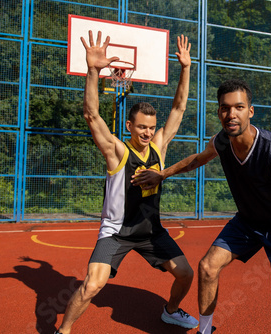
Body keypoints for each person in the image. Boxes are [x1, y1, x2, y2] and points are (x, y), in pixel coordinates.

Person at [132, 79, 271, 334]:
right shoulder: (222, 141)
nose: (231, 114)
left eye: (238, 107)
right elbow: (196, 160)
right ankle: (205, 331)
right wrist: (162, 173)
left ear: (250, 111)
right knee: (207, 267)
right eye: (225, 108)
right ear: (219, 112)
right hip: (248, 221)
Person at [55, 31, 198, 334]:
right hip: (116, 233)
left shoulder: (159, 147)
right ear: (130, 126)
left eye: (151, 128)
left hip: (151, 232)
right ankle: (63, 330)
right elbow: (92, 116)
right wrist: (93, 71)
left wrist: (186, 68)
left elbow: (179, 108)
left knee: (186, 274)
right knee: (92, 285)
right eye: (141, 127)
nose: (147, 133)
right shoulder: (118, 152)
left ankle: (170, 312)